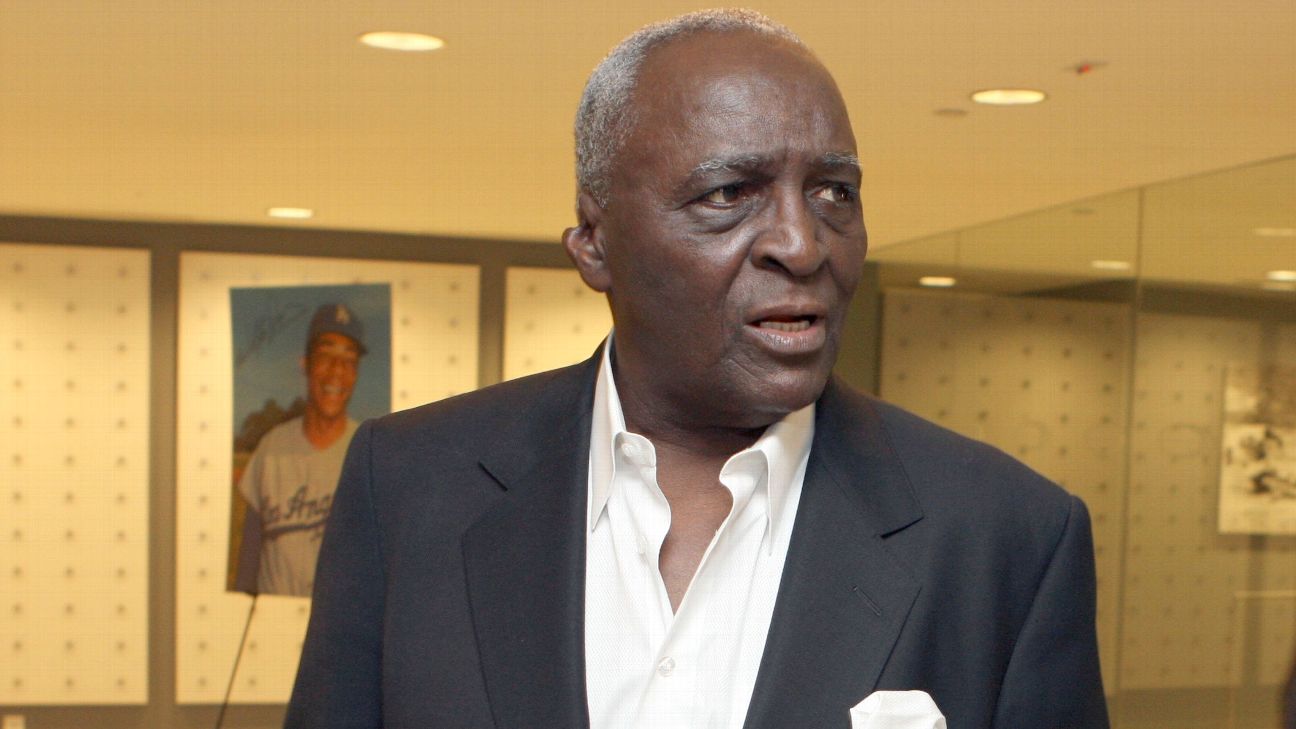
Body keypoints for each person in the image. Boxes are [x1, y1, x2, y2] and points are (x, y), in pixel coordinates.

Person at [286, 9, 1108, 728]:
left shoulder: (1007, 536)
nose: (802, 243)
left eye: (834, 192)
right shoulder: (408, 487)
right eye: (728, 193)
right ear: (594, 243)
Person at [234, 303, 365, 597]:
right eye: (326, 356)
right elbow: (247, 567)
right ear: (305, 364)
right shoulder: (271, 448)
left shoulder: (367, 450)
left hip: (339, 621)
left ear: (356, 374)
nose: (337, 371)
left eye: (349, 361)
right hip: (274, 618)